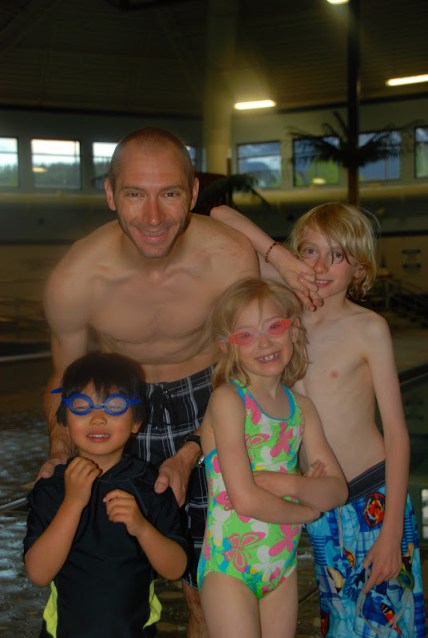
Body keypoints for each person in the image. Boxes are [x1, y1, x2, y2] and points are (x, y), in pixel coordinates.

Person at [40, 127, 319, 637]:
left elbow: (253, 353)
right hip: (122, 410)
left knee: (209, 594)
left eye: (169, 193)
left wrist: (194, 449)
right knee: (114, 590)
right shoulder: (75, 279)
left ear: (192, 194)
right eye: (135, 194)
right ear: (110, 194)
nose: (153, 217)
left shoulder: (227, 257)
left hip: (209, 400)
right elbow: (65, 380)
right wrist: (61, 449)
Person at [211, 203, 426, 637]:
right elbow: (219, 216)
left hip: (371, 494)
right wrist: (281, 259)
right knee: (341, 621)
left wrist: (391, 533)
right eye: (310, 251)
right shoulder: (281, 316)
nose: (321, 266)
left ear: (359, 267)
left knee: (388, 621)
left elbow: (397, 434)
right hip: (316, 497)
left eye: (338, 255)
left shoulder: (367, 328)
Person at [197, 278, 348, 638]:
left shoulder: (302, 409)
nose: (264, 343)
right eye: (246, 335)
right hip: (230, 567)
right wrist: (307, 510)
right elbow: (246, 500)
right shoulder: (229, 401)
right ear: (227, 346)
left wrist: (286, 484)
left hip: (283, 567)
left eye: (274, 327)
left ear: (294, 330)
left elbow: (337, 491)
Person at [24, 352, 188, 638]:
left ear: (136, 421)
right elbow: (38, 573)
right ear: (64, 420)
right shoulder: (52, 487)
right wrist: (73, 503)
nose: (98, 418)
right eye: (81, 406)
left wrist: (142, 528)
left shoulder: (149, 486)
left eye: (114, 406)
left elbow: (176, 568)